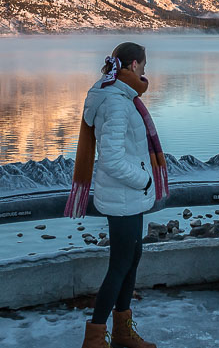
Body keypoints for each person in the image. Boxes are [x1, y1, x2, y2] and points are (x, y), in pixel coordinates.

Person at [64, 41, 170, 348]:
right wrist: (144, 181)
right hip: (124, 194)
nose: (147, 72)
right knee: (120, 265)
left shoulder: (120, 95)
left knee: (132, 258)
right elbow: (110, 159)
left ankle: (123, 331)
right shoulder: (116, 102)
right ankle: (95, 337)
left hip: (129, 196)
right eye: (145, 66)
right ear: (134, 65)